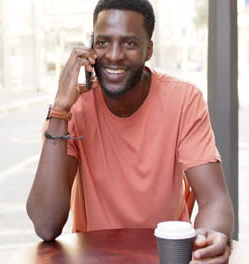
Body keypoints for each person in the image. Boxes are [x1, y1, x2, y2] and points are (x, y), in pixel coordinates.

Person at [26, 0, 234, 263]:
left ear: (148, 50)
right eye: (103, 42)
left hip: (164, 256)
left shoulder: (183, 99)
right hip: (94, 257)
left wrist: (209, 239)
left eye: (129, 43)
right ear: (91, 47)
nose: (113, 55)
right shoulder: (74, 110)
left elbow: (214, 199)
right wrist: (60, 108)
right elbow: (46, 224)